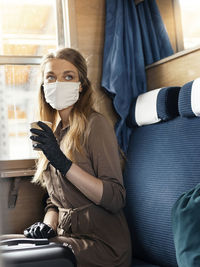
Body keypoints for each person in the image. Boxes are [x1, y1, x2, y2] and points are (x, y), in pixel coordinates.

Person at [25, 47, 131, 267]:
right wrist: (46, 226)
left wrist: (63, 163)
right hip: (66, 237)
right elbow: (55, 201)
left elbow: (115, 198)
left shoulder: (95, 125)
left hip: (102, 245)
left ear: (81, 85)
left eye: (69, 77)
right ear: (44, 86)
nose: (59, 83)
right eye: (51, 77)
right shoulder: (52, 132)